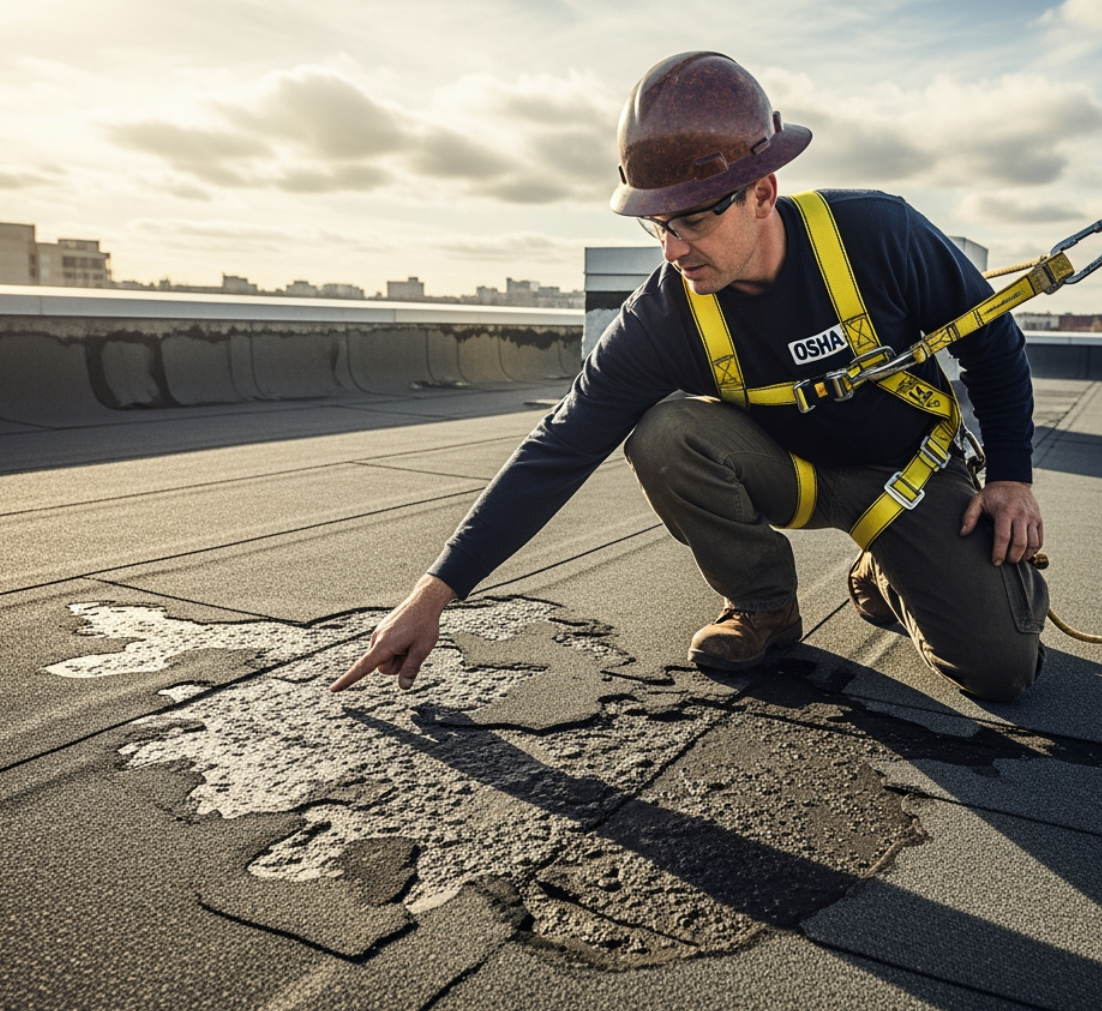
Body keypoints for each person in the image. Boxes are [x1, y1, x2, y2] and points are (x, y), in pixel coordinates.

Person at [331, 52, 1048, 703]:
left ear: (763, 194)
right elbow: (561, 445)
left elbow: (992, 344)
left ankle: (884, 571)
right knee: (665, 432)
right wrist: (432, 595)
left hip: (905, 477)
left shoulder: (878, 234)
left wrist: (1011, 476)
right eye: (658, 226)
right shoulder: (664, 317)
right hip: (788, 472)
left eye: (693, 223)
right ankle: (764, 607)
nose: (673, 250)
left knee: (1001, 672)